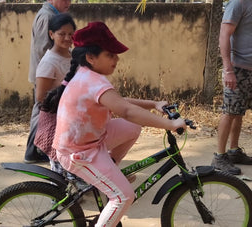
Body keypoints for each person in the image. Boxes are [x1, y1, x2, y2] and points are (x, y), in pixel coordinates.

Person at [49, 22, 187, 227]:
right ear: (90, 57)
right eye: (110, 55)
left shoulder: (89, 75)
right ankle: (108, 180)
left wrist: (154, 104)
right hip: (79, 152)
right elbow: (127, 111)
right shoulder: (93, 81)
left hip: (92, 139)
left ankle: (109, 169)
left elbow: (120, 102)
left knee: (132, 128)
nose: (116, 59)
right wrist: (170, 124)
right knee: (123, 196)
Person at [211, 0, 252, 175]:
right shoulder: (237, 3)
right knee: (229, 111)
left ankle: (234, 151)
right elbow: (224, 35)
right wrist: (228, 70)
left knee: (239, 111)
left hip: (250, 68)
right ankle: (219, 157)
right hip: (236, 67)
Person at [25, 0, 72, 163]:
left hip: (50, 75)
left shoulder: (53, 15)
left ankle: (39, 149)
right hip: (46, 77)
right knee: (41, 112)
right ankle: (31, 151)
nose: (69, 2)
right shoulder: (46, 16)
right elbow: (42, 49)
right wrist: (49, 75)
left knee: (45, 113)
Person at [33, 13, 76, 177]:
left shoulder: (73, 55)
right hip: (56, 122)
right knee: (60, 176)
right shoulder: (49, 62)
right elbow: (41, 97)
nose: (67, 38)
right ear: (51, 34)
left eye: (70, 34)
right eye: (62, 34)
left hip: (73, 120)